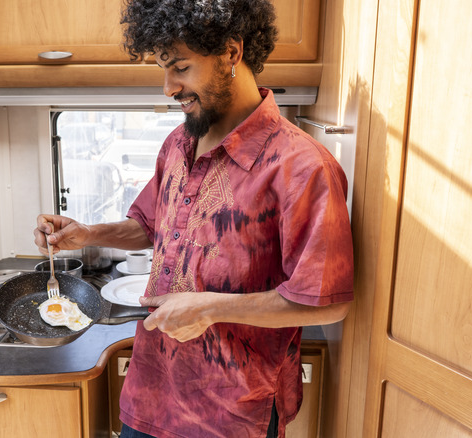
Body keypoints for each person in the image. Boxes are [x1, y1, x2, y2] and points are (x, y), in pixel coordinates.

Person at [33, 0, 354, 436]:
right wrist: (87, 234)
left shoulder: (302, 166)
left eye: (180, 68)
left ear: (232, 52)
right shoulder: (178, 144)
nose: (168, 87)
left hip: (233, 413)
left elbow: (328, 302)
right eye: (164, 70)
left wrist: (210, 308)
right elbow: (152, 226)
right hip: (150, 392)